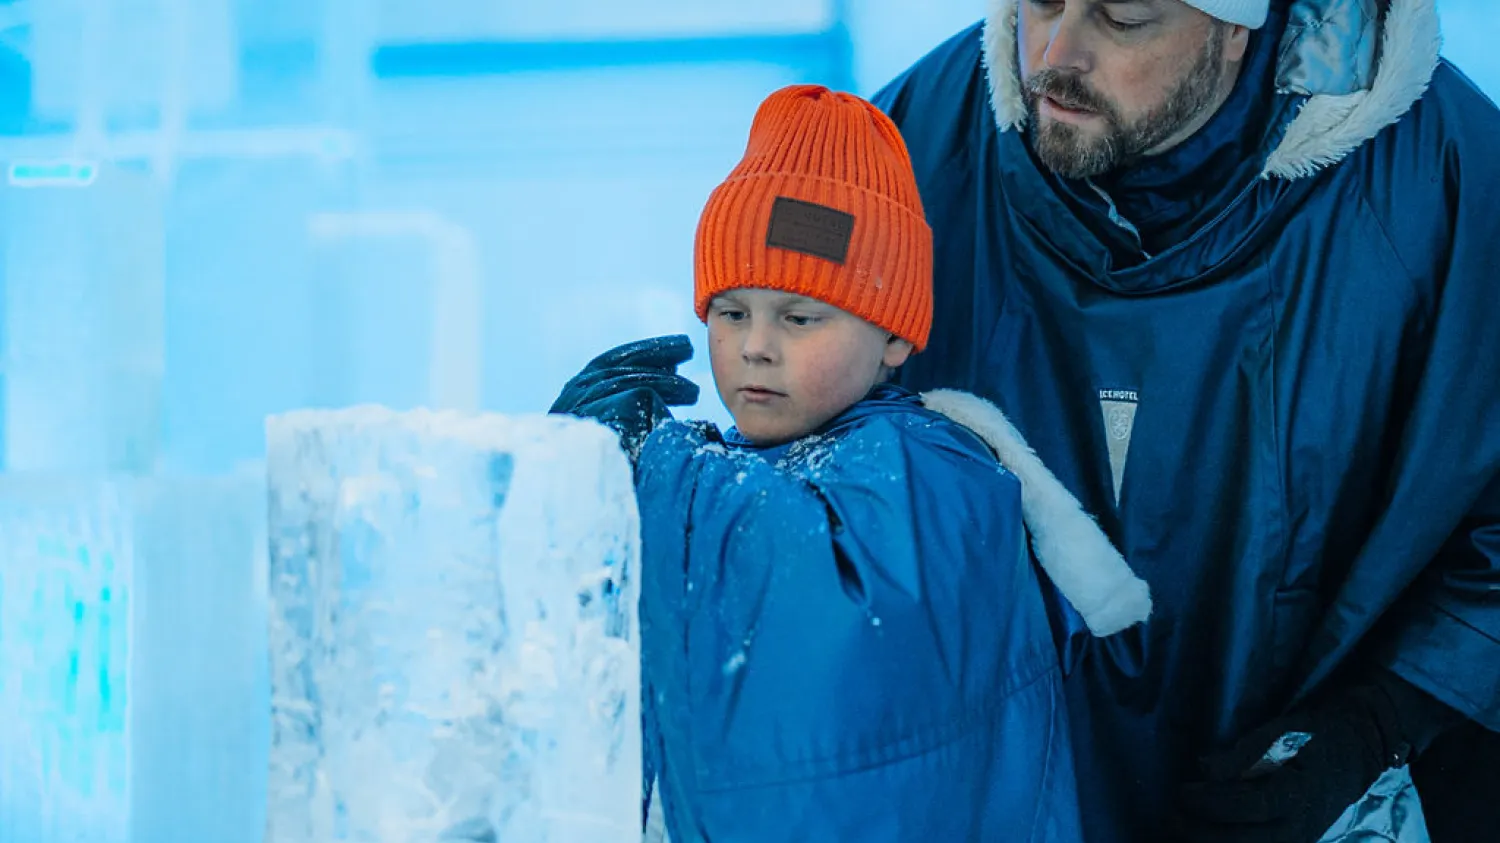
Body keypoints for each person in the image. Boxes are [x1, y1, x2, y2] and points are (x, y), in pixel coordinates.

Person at [860, 0, 1500, 840]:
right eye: (1042, 1)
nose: (1054, 52)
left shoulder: (1439, 182)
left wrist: (1381, 717)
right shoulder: (907, 150)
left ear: (1239, 27)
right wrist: (673, 481)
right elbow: (816, 444)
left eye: (1122, 18)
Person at [552, 84, 1151, 842]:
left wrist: (645, 463)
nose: (755, 345)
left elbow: (828, 617)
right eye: (731, 311)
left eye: (800, 317)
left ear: (893, 339)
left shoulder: (932, 466)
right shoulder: (741, 464)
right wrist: (579, 483)